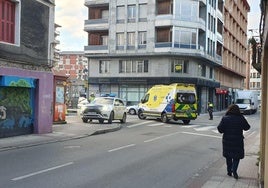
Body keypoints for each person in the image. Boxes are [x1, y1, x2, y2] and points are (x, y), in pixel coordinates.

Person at [217, 104, 250, 179]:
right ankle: (234, 170)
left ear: (229, 110)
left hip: (227, 141)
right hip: (238, 140)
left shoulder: (225, 118)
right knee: (236, 156)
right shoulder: (241, 118)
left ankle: (229, 171)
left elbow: (220, 129)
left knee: (228, 156)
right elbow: (247, 127)